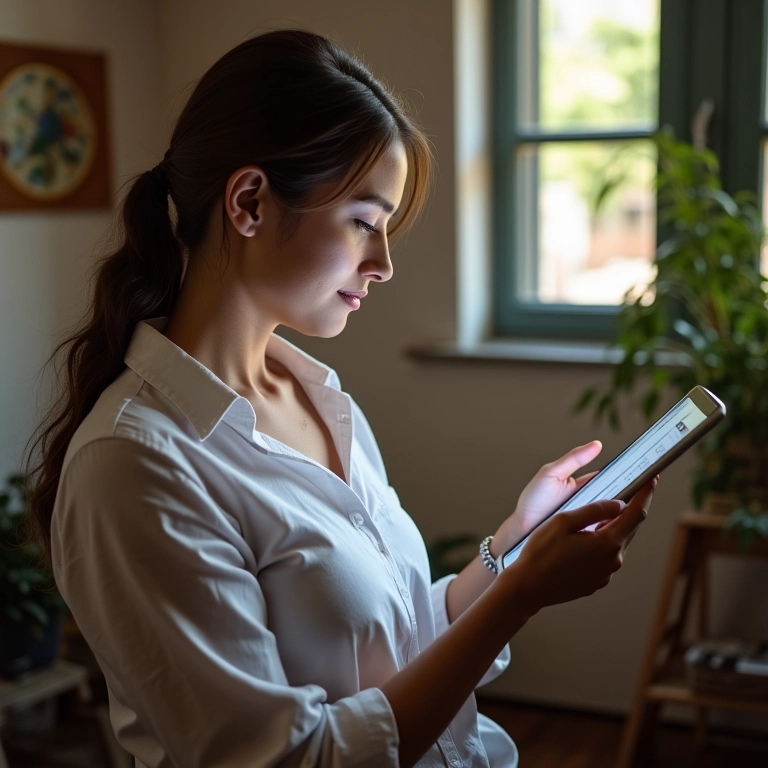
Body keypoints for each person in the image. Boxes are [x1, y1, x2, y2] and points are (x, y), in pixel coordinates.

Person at [24, 29, 656, 768]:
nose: (382, 263)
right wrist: (520, 600)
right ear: (251, 202)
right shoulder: (134, 467)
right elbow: (287, 760)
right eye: (364, 222)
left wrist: (514, 548)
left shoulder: (319, 398)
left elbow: (400, 636)